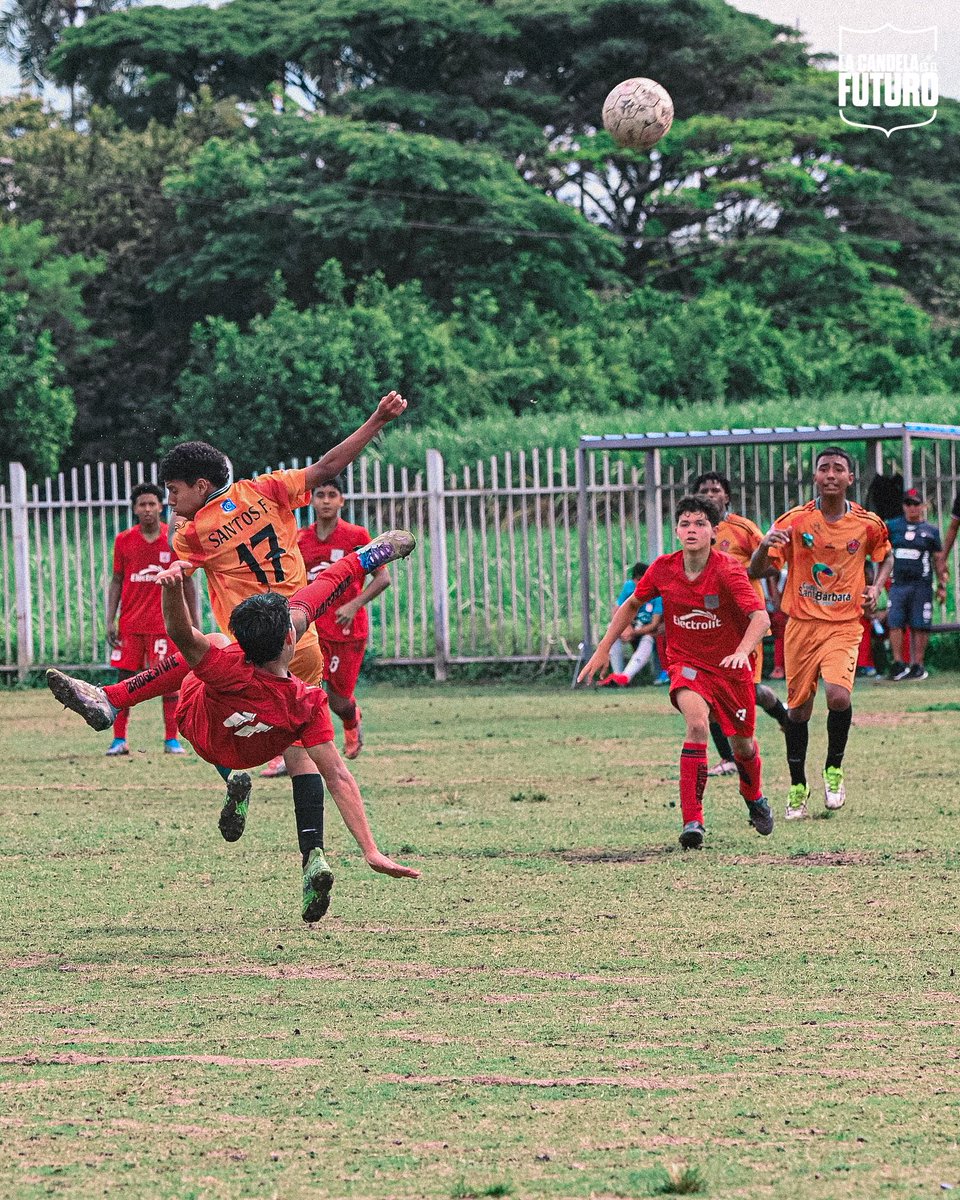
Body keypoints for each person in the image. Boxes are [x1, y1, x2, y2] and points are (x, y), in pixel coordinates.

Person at [47, 533, 420, 921]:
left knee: (209, 639)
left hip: (207, 736)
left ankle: (112, 697)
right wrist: (371, 850)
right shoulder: (307, 702)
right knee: (300, 743)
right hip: (261, 744)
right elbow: (338, 775)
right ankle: (311, 851)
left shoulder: (225, 664)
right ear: (290, 638)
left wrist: (173, 590)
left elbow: (180, 633)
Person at [99, 392, 407, 858]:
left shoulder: (190, 532)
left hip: (245, 647)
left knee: (196, 703)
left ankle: (121, 706)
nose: (169, 501)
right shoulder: (266, 489)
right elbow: (326, 468)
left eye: (174, 491)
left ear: (201, 487)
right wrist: (377, 419)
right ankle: (314, 856)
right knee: (304, 743)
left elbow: (185, 606)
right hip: (297, 639)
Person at [579, 496, 773, 850]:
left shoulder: (729, 570)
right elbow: (632, 604)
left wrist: (742, 652)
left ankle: (753, 794)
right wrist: (604, 648)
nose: (691, 530)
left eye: (699, 524)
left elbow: (761, 618)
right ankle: (692, 821)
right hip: (687, 664)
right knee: (697, 724)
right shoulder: (664, 568)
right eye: (685, 524)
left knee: (743, 746)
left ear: (714, 532)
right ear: (677, 530)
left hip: (731, 671)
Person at [749, 447, 893, 820]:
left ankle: (834, 770)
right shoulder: (795, 521)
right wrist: (764, 548)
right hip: (800, 626)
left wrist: (876, 587)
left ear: (849, 479)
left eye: (838, 469)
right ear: (815, 477)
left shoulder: (866, 523)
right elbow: (756, 571)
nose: (830, 474)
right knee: (798, 712)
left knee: (838, 696)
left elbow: (885, 554)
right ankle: (798, 785)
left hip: (844, 625)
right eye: (823, 468)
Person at [261, 477, 391, 776]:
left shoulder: (356, 535)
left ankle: (351, 719)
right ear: (313, 500)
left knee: (338, 699)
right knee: (295, 692)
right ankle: (288, 755)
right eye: (320, 494)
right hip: (308, 631)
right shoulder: (301, 539)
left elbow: (382, 578)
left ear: (342, 501)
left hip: (347, 631)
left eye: (333, 495)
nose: (326, 501)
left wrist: (354, 604)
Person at [692, 473, 790, 776]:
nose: (710, 495)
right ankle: (729, 759)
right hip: (710, 624)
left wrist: (739, 575)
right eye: (704, 491)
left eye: (715, 490)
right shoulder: (693, 532)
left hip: (747, 622)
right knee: (706, 690)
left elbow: (770, 565)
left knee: (749, 689)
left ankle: (783, 716)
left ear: (727, 497)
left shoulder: (742, 529)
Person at [105, 482, 199, 756]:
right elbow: (116, 580)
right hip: (131, 625)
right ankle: (119, 739)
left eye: (152, 504)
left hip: (164, 625)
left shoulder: (173, 540)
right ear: (134, 509)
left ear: (161, 506)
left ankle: (172, 739)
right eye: (141, 504)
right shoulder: (124, 540)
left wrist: (193, 621)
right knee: (125, 677)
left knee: (169, 681)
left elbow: (188, 582)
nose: (147, 509)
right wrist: (110, 620)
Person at [885, 487, 947, 681]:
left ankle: (918, 664)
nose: (912, 508)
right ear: (903, 506)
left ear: (922, 506)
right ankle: (898, 663)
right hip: (898, 584)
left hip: (921, 584)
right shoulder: (893, 527)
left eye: (916, 504)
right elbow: (883, 552)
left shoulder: (931, 531)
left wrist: (942, 585)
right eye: (908, 504)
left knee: (920, 624)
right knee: (894, 622)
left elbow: (938, 559)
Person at [599, 562, 664, 686]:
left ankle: (626, 676)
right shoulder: (629, 587)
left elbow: (654, 624)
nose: (643, 583)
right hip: (630, 627)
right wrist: (624, 628)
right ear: (633, 580)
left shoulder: (656, 593)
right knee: (612, 630)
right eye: (639, 580)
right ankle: (617, 675)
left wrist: (633, 632)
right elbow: (617, 611)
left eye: (646, 579)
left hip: (646, 630)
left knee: (648, 638)